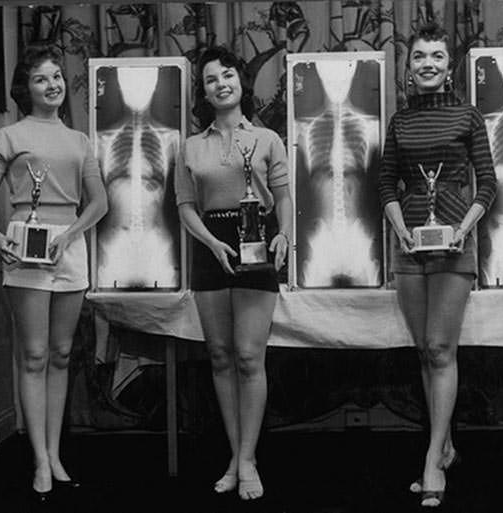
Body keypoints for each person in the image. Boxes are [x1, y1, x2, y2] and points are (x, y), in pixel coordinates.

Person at [0, 45, 108, 502]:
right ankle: (38, 460)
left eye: (55, 77)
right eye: (40, 79)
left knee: (62, 354)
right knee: (33, 355)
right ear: (24, 89)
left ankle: (54, 453)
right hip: (24, 245)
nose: (51, 85)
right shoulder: (9, 136)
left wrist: (70, 235)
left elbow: (99, 202)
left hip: (68, 247)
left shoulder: (79, 140)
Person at [379, 22, 497, 508]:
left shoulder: (468, 116)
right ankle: (444, 444)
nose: (428, 63)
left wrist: (465, 228)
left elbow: (487, 183)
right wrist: (401, 230)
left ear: (450, 68)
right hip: (409, 248)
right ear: (409, 68)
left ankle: (431, 459)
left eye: (437, 57)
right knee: (425, 353)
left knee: (440, 347)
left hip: (455, 247)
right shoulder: (399, 122)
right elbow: (386, 185)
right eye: (420, 57)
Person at [175, 46, 292, 500]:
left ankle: (246, 460)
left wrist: (285, 234)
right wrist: (209, 242)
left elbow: (283, 197)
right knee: (220, 358)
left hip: (258, 243)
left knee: (248, 358)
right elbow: (185, 207)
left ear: (241, 83)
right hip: (212, 247)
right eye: (210, 79)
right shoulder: (190, 146)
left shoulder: (267, 140)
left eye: (227, 75)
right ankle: (236, 454)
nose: (221, 84)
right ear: (203, 91)